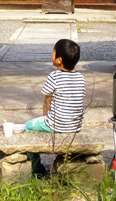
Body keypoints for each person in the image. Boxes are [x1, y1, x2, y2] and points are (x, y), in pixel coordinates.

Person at [23, 39, 86, 176]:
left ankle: (37, 166)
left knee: (26, 127)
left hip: (56, 123)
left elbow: (47, 101)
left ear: (59, 60)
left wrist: (46, 118)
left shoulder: (54, 76)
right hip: (75, 125)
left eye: (53, 51)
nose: (51, 53)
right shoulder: (81, 78)